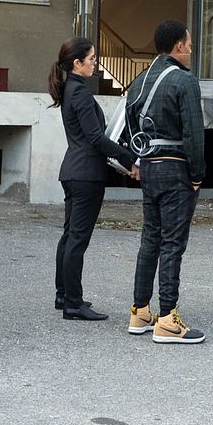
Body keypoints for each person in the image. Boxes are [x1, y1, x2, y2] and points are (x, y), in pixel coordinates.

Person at [125, 20, 206, 343]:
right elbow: (194, 134)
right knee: (173, 243)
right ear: (178, 47)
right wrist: (197, 175)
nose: (191, 48)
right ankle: (168, 319)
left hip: (148, 165)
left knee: (151, 239)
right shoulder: (184, 81)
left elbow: (131, 124)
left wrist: (139, 159)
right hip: (176, 168)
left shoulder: (140, 80)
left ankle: (140, 311)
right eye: (188, 42)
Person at [50, 37, 139, 321]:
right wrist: (130, 159)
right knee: (77, 239)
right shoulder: (80, 94)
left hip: (74, 171)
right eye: (91, 59)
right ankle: (73, 303)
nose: (95, 63)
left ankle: (64, 295)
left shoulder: (70, 91)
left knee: (70, 237)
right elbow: (96, 138)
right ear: (77, 63)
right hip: (86, 174)